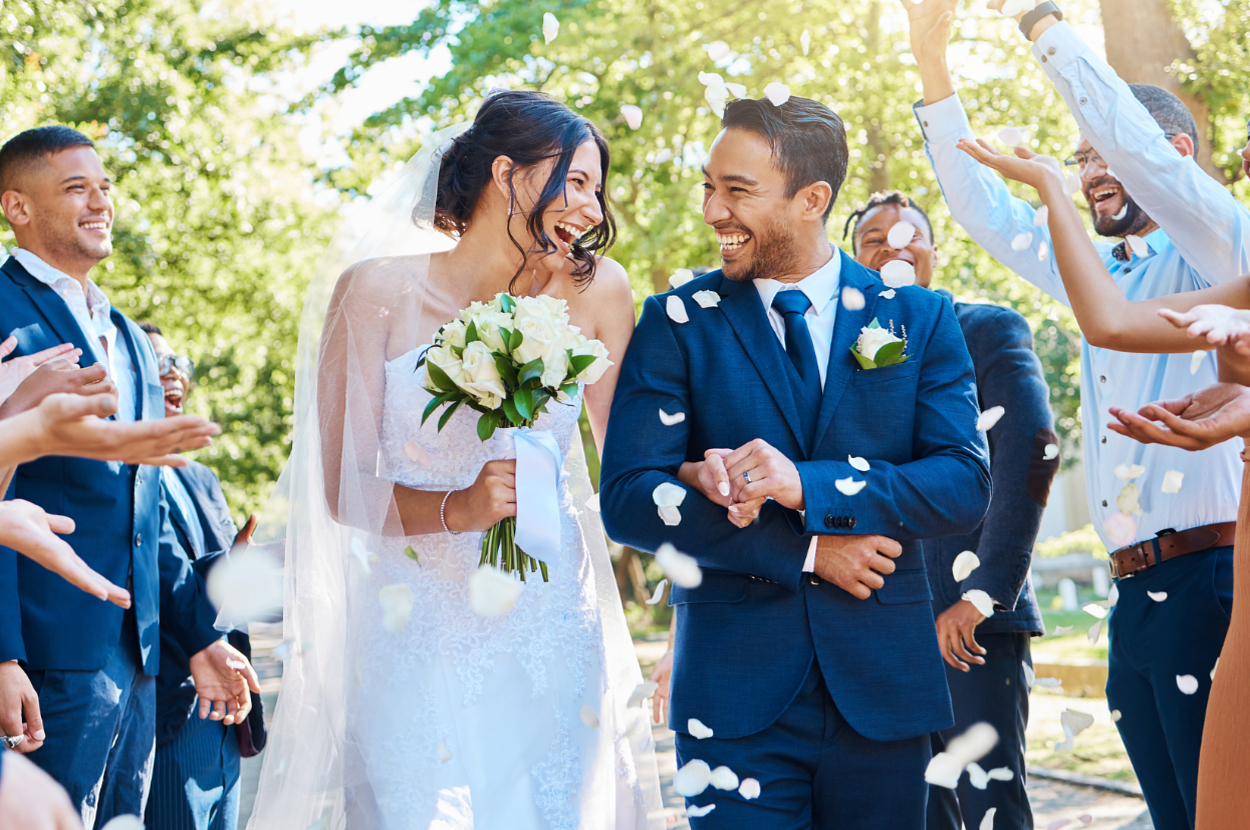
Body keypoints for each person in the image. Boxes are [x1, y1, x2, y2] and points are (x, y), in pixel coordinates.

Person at [245, 90, 662, 830]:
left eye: (597, 189)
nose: (592, 208)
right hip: (416, 623)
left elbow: (635, 466)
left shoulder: (598, 290)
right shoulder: (373, 292)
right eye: (575, 181)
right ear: (507, 174)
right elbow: (345, 489)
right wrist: (459, 509)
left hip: (548, 617)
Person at [600, 95, 991, 828]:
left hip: (885, 694)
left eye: (737, 191)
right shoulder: (676, 323)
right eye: (709, 185)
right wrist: (809, 550)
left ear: (812, 200)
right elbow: (628, 495)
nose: (713, 209)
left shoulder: (920, 318)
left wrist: (806, 486)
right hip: (732, 696)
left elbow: (964, 481)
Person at [904, 2, 1250, 825]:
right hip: (1132, 593)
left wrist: (1041, 23)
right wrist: (932, 63)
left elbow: (1141, 151)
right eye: (1080, 157)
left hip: (1209, 579)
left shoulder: (1220, 250)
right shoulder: (1093, 271)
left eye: (1108, 153)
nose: (1093, 168)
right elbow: (985, 210)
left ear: (1171, 159)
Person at [0, 125, 259, 828]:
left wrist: (199, 638)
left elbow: (148, 514)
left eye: (104, 187)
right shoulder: (1, 309)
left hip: (139, 661)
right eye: (75, 188)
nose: (99, 203)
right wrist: (1, 656)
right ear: (17, 207)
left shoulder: (130, 339)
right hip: (44, 657)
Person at [845, 189, 1057, 830]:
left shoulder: (986, 330)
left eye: (908, 235)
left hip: (970, 624)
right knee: (914, 813)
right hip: (877, 630)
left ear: (936, 252)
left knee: (991, 808)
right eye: (872, 239)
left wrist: (984, 595)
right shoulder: (837, 358)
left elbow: (1033, 453)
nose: (891, 247)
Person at [139, 323, 264, 830]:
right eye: (158, 364)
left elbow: (219, 580)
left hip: (226, 713)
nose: (174, 376)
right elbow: (149, 577)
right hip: (168, 706)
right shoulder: (115, 475)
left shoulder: (201, 477)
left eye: (180, 365)